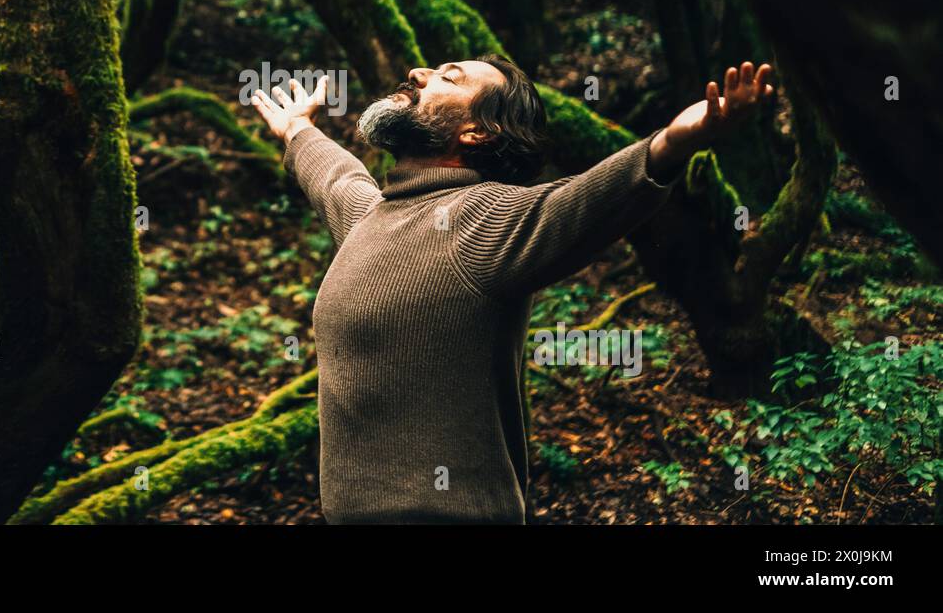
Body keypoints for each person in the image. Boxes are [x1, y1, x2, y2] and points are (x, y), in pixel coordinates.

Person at [251, 56, 774, 523]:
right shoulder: (371, 218)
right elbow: (337, 179)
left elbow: (585, 201)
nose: (417, 74)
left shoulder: (487, 218)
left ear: (476, 132)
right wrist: (298, 129)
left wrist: (672, 143)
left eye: (446, 78)